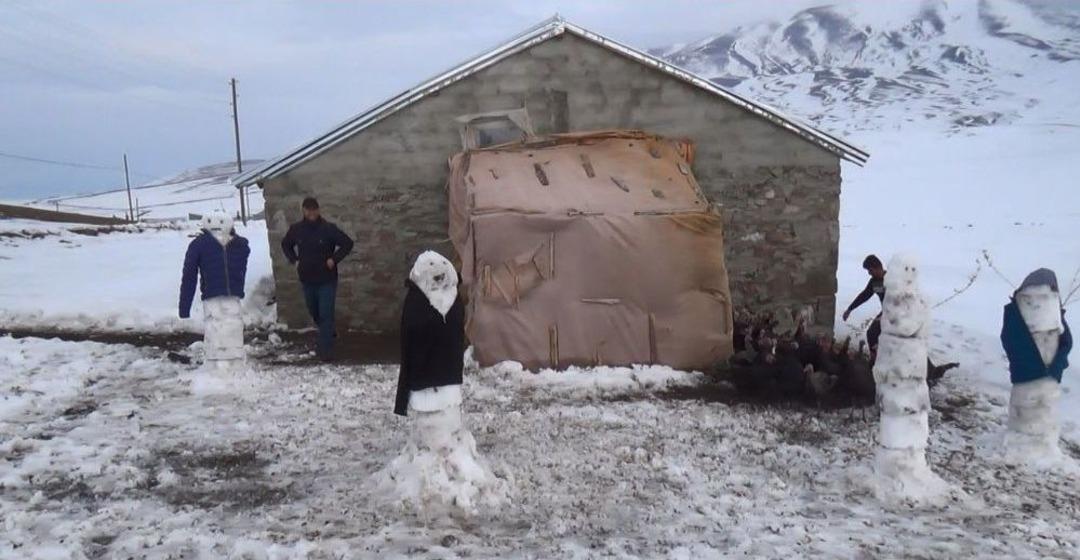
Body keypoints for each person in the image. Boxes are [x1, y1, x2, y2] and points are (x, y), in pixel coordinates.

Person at [369, 250, 507, 515]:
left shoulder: (421, 304)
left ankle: (448, 464)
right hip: (440, 385)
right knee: (434, 435)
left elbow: (412, 342)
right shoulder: (443, 303)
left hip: (433, 385)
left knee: (443, 433)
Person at [1000, 268, 1073, 464]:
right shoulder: (1016, 316)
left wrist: (1053, 366)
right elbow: (1013, 341)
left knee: (1043, 412)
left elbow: (1065, 342)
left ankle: (1042, 445)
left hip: (1042, 380)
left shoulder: (1049, 320)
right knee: (1029, 410)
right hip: (1029, 378)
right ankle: (1027, 442)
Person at [280, 197, 354, 361]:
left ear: (318, 210)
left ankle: (325, 351)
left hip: (327, 279)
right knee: (314, 311)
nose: (311, 213)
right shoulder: (297, 229)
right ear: (304, 211)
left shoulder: (328, 229)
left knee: (326, 313)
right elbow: (286, 244)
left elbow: (347, 243)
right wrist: (294, 259)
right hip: (307, 279)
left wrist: (334, 259)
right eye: (308, 209)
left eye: (314, 209)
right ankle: (329, 332)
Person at [179, 211, 251, 371]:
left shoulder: (237, 244)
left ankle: (232, 361)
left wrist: (184, 308)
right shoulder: (202, 245)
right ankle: (217, 362)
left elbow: (188, 275)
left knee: (229, 325)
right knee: (218, 326)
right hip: (217, 295)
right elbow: (189, 275)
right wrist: (184, 307)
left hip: (227, 294)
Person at [842, 254, 887, 353]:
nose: (869, 273)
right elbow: (864, 295)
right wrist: (849, 309)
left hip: (898, 313)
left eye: (870, 270)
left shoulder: (891, 279)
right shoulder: (875, 282)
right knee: (871, 334)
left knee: (876, 333)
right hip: (885, 312)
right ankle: (874, 358)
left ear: (878, 267)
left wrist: (886, 316)